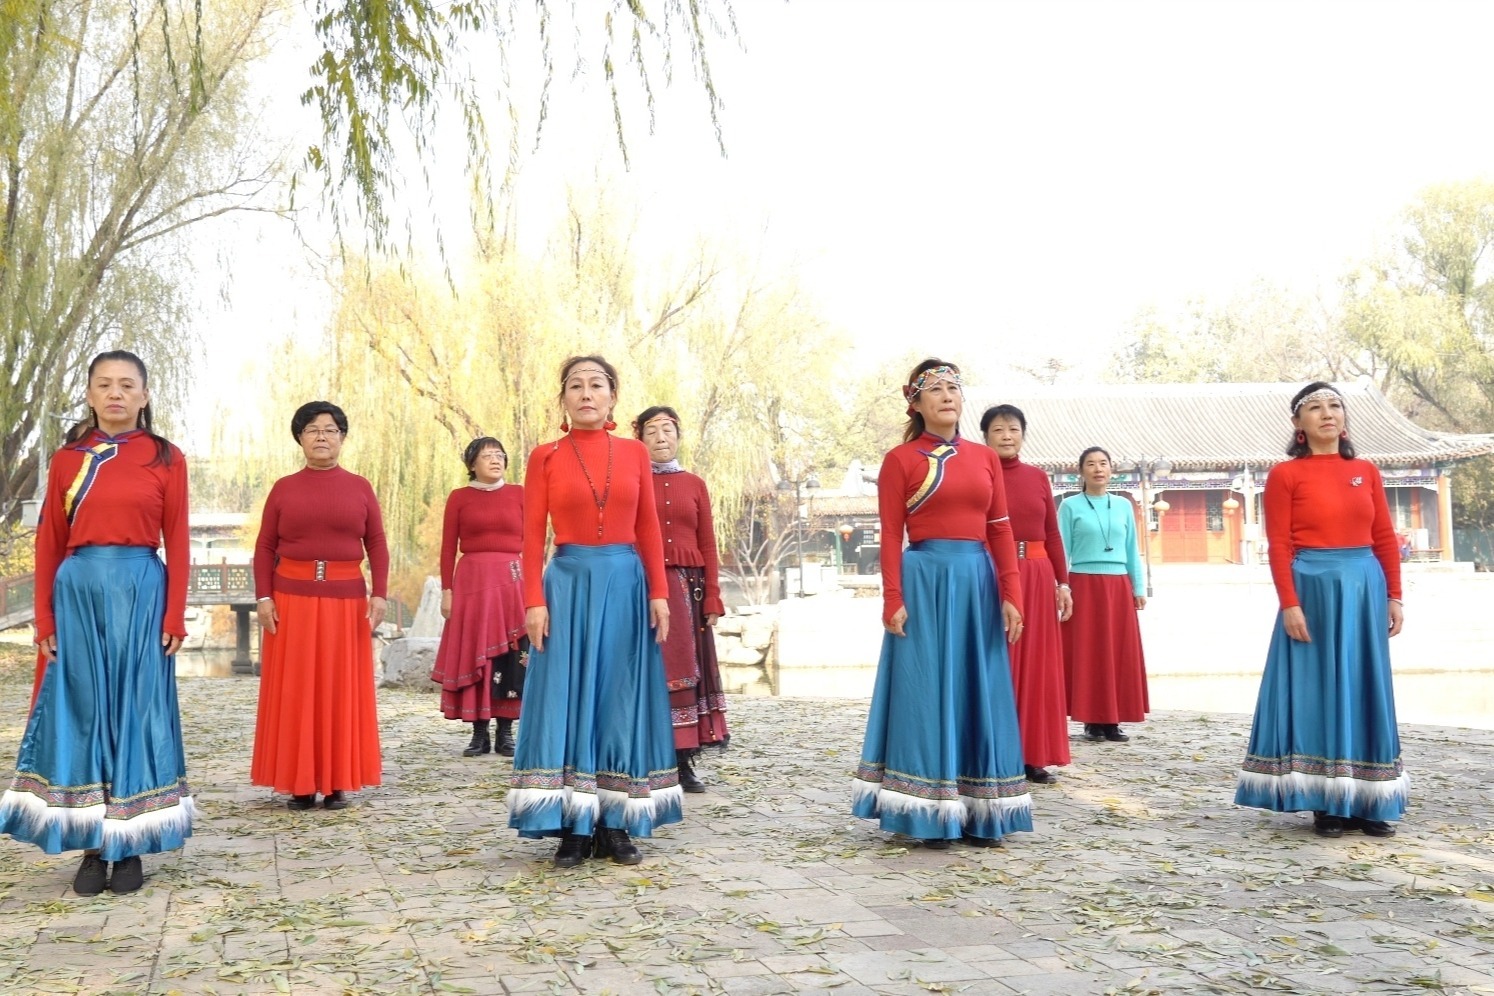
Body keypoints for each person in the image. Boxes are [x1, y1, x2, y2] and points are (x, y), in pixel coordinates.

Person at [0, 349, 192, 896]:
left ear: (144, 395)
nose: (115, 394)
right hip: (78, 591)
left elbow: (177, 538)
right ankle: (89, 845)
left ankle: (129, 845)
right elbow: (48, 545)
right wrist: (44, 620)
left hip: (141, 592)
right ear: (89, 394)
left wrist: (175, 611)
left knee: (135, 714)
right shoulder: (68, 459)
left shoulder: (166, 458)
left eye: (127, 385)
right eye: (104, 384)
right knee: (84, 714)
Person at [507, 355, 681, 867]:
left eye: (597, 385)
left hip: (626, 583)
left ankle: (614, 822)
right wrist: (533, 601)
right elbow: (530, 534)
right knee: (566, 697)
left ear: (612, 397)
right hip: (567, 585)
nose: (586, 393)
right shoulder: (545, 456)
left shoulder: (632, 453)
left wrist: (658, 592)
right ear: (563, 399)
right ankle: (572, 827)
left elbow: (648, 525)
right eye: (576, 386)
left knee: (619, 700)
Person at [851, 359, 1032, 849]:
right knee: (927, 689)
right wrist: (893, 598)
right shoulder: (901, 460)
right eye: (936, 390)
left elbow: (1000, 528)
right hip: (926, 581)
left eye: (954, 387)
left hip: (977, 581)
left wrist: (1012, 594)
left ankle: (982, 809)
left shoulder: (983, 457)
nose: (948, 396)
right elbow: (891, 534)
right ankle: (928, 810)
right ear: (916, 403)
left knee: (980, 686)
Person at [1235, 382, 1408, 838]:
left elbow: (1385, 537)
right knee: (1320, 692)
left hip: (1364, 588)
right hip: (1311, 590)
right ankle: (1326, 803)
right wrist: (1289, 603)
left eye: (1334, 406)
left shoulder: (1367, 471)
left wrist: (1394, 594)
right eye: (1314, 408)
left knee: (1363, 687)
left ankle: (1371, 801)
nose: (1327, 413)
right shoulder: (1285, 475)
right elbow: (1280, 545)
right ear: (1298, 424)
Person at [251, 402, 387, 811]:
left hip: (346, 601)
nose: (322, 437)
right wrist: (263, 597)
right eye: (313, 430)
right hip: (290, 600)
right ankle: (299, 782)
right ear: (300, 438)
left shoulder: (360, 487)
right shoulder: (284, 488)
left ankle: (336, 782)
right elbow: (265, 546)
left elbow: (376, 543)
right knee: (296, 690)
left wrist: (379, 592)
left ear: (343, 438)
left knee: (339, 688)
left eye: (331, 429)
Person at [634, 406, 729, 792]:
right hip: (643, 587)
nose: (660, 437)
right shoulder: (632, 481)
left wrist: (712, 597)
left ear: (678, 435)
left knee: (688, 670)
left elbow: (707, 540)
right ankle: (645, 757)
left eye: (668, 429)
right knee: (652, 670)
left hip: (689, 589)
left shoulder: (695, 484)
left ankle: (683, 760)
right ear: (639, 439)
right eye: (652, 430)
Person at [982, 404, 1072, 784]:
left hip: (1037, 574)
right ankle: (994, 750)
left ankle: (1033, 754)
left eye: (1014, 429)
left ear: (1023, 434)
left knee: (1036, 666)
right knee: (998, 660)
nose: (1006, 435)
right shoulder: (978, 473)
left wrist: (1063, 582)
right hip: (993, 574)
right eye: (999, 429)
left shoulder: (1038, 478)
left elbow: (1051, 533)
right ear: (985, 435)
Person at [430, 437, 528, 757]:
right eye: (487, 456)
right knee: (477, 653)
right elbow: (447, 548)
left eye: (500, 455)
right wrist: (447, 591)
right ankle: (478, 732)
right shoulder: (459, 498)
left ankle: (505, 732)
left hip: (513, 582)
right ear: (472, 464)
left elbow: (535, 541)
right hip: (472, 581)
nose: (495, 460)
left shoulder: (520, 494)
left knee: (511, 654)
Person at [1058, 447, 1147, 743]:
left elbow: (1132, 547)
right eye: (1091, 464)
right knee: (1089, 652)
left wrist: (1138, 587)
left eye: (1103, 464)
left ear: (1112, 470)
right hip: (1083, 584)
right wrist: (1061, 586)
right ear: (1080, 471)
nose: (1098, 469)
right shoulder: (1069, 506)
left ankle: (1113, 720)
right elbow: (1062, 550)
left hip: (1118, 584)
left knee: (1116, 651)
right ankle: (1091, 720)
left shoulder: (1123, 505)